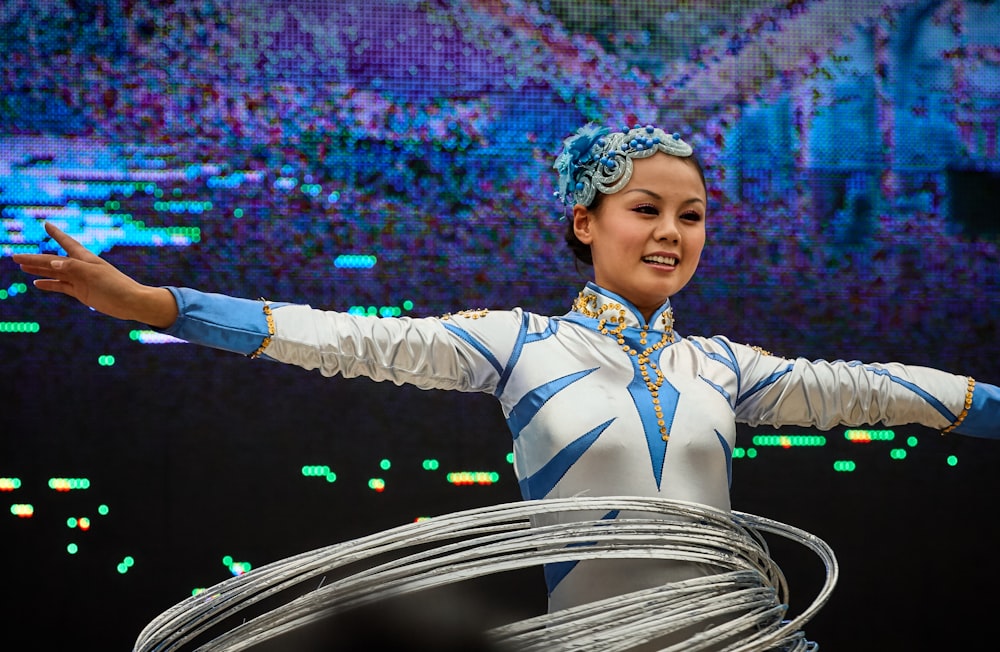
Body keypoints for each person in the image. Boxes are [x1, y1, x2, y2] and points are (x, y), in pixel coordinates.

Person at [11, 123, 1000, 638]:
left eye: (690, 215)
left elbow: (885, 389)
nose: (669, 233)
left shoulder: (728, 371)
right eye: (644, 209)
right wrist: (157, 305)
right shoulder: (515, 348)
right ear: (584, 221)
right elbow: (337, 337)